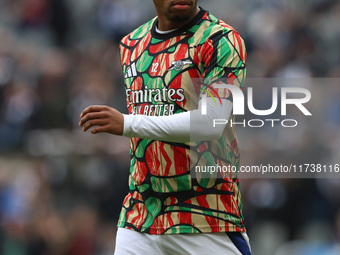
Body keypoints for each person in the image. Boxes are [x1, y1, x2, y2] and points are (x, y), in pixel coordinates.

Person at [79, 0, 250, 254]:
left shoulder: (221, 40)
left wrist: (127, 122)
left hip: (204, 213)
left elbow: (211, 122)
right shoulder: (132, 44)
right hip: (140, 214)